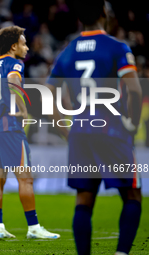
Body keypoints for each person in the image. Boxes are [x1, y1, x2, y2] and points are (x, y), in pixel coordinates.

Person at [46, 0, 142, 254]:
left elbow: (48, 93)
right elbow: (134, 89)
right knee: (132, 195)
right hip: (111, 128)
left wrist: (64, 129)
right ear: (103, 13)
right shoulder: (116, 47)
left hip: (80, 131)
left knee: (84, 200)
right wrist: (132, 125)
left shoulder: (66, 51)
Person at [0, 26, 60, 239]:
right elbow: (13, 82)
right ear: (14, 45)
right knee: (25, 179)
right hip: (10, 127)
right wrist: (23, 110)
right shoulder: (15, 64)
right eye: (24, 43)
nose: (26, 48)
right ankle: (34, 228)